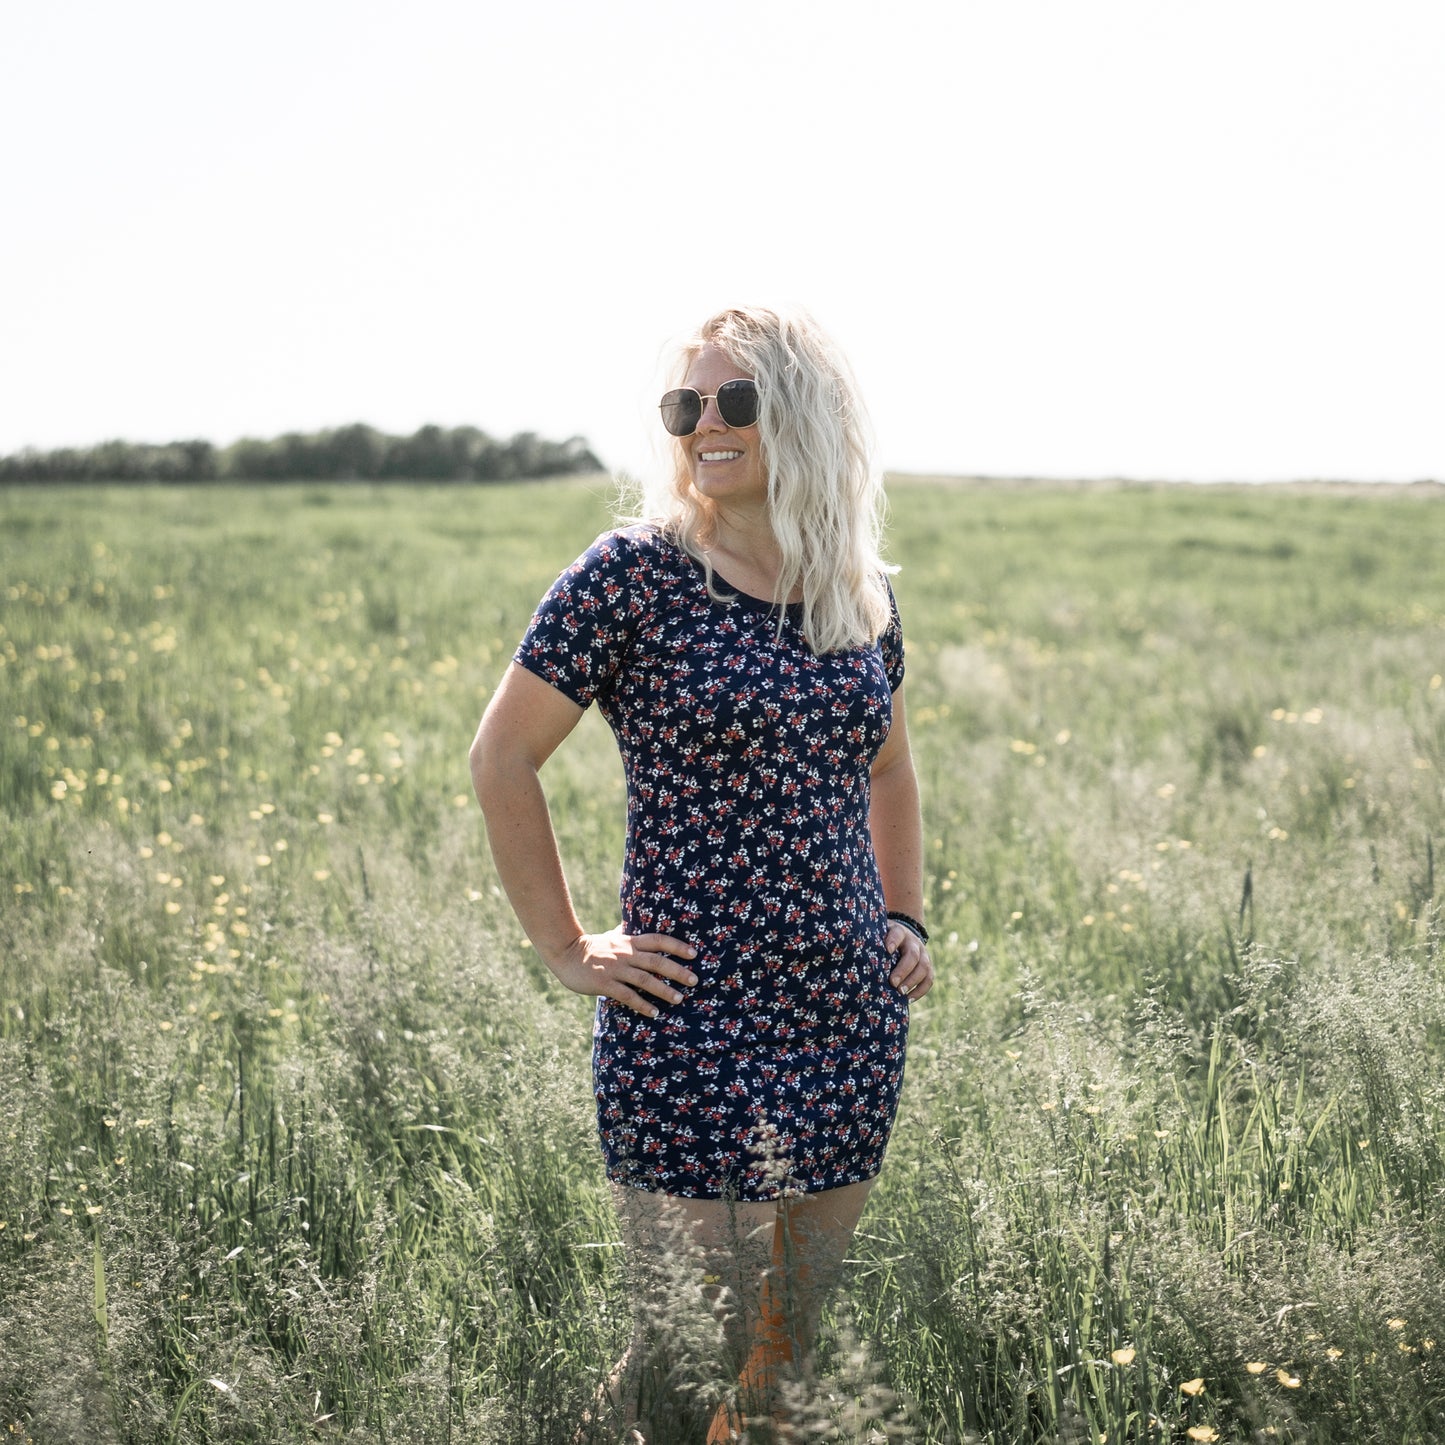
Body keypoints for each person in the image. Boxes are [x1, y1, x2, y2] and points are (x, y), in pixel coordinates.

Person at [469, 304, 932, 1441]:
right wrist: (569, 948)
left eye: (735, 399)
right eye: (684, 406)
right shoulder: (633, 574)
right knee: (683, 1355)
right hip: (687, 1016)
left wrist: (903, 914)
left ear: (803, 415)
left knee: (779, 1359)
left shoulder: (854, 594)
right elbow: (500, 757)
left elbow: (890, 774)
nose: (703, 425)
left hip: (843, 1016)